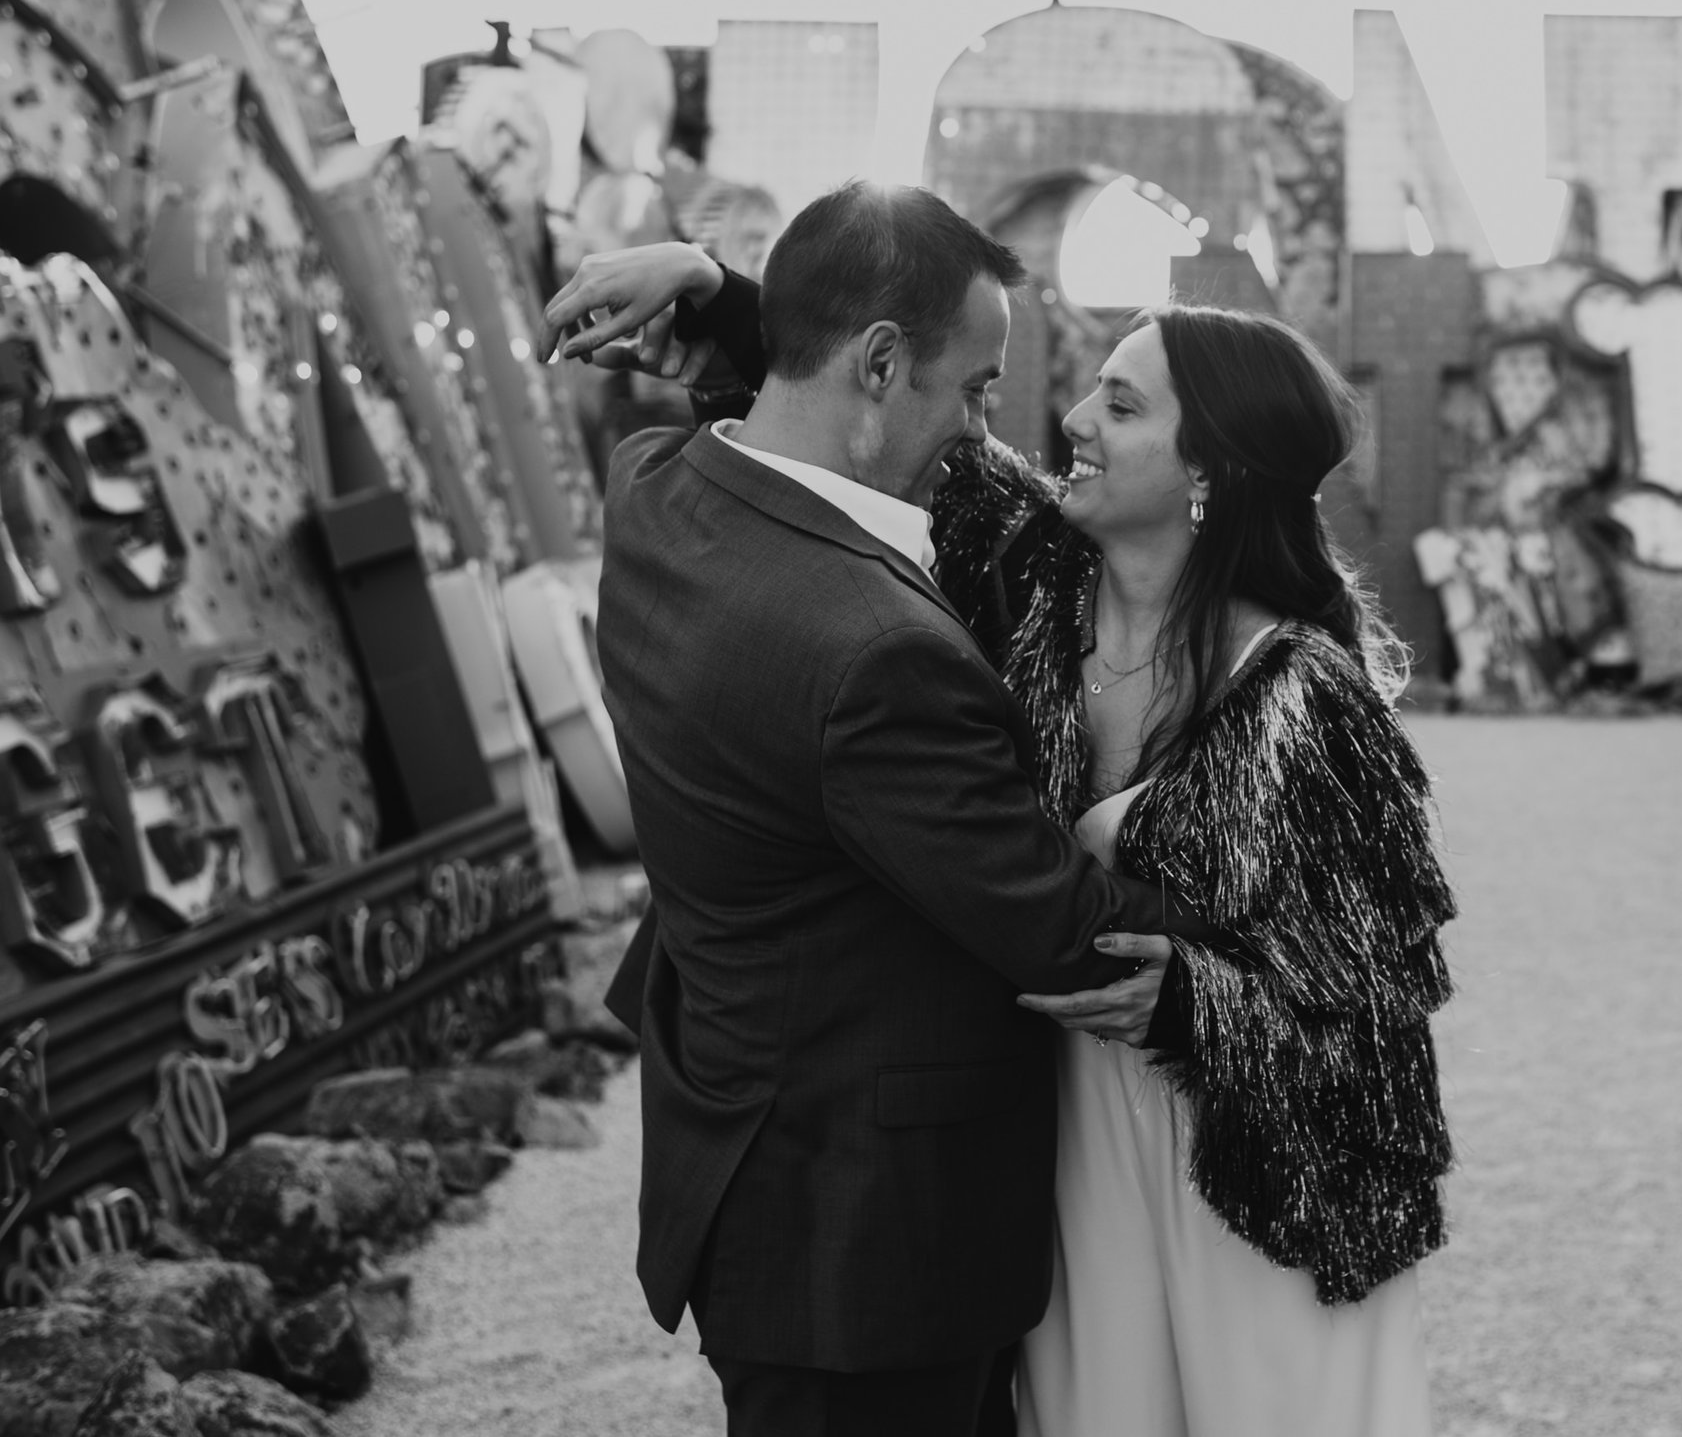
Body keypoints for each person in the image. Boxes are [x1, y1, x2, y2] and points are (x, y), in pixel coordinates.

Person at [553, 211, 1457, 1437]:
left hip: (1225, 1179)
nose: (1067, 421)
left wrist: (1205, 1001)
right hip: (1060, 1169)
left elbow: (1378, 1026)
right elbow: (836, 428)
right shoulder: (1040, 576)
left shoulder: (1308, 708)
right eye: (1087, 392)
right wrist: (721, 294)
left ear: (1211, 472)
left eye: (1122, 407)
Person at [570, 182, 1201, 1437]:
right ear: (877, 363)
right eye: (975, 388)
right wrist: (1274, 946)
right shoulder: (873, 653)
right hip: (868, 1238)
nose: (985, 429)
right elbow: (1053, 921)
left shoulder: (656, 493)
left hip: (748, 1146)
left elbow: (795, 411)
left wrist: (722, 292)